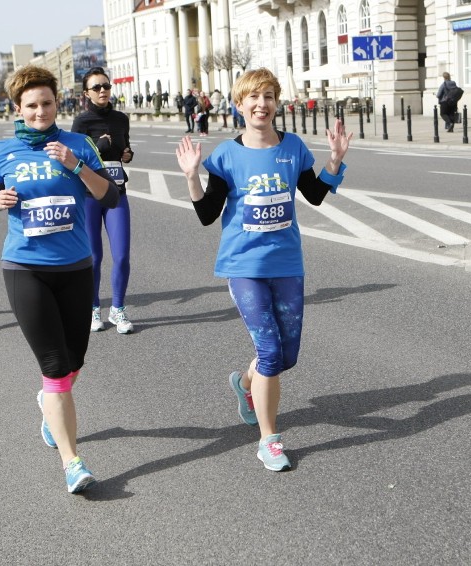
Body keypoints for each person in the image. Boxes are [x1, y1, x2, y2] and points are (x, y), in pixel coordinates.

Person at [175, 67, 352, 472]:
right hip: (244, 265)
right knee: (270, 352)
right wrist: (191, 177)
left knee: (286, 356)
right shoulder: (225, 155)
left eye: (269, 96)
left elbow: (314, 195)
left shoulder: (292, 147)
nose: (261, 104)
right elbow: (206, 215)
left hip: (287, 262)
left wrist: (336, 160)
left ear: (276, 103)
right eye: (253, 98)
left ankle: (245, 383)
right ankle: (269, 440)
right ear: (239, 106)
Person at [0, 65, 119, 494]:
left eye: (46, 103)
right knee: (56, 368)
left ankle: (48, 406)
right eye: (31, 105)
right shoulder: (4, 150)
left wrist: (76, 164)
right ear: (17, 109)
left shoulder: (78, 144)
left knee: (75, 359)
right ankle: (72, 461)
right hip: (25, 269)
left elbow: (109, 195)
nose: (40, 111)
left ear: (57, 104)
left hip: (76, 267)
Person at [71, 67, 136, 334]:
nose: (102, 91)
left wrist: (128, 154)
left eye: (106, 86)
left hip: (116, 192)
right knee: (94, 257)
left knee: (121, 256)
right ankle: (93, 307)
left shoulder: (121, 118)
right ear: (86, 93)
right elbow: (74, 159)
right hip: (88, 195)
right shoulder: (81, 122)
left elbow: (124, 149)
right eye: (96, 87)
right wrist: (98, 144)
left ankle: (118, 310)